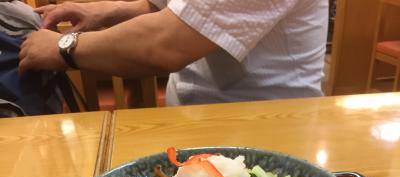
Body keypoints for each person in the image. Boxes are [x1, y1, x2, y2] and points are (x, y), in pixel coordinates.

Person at [19, 0, 329, 106]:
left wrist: (63, 48)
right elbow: (172, 6)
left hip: (263, 130)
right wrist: (102, 12)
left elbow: (166, 44)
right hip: (195, 119)